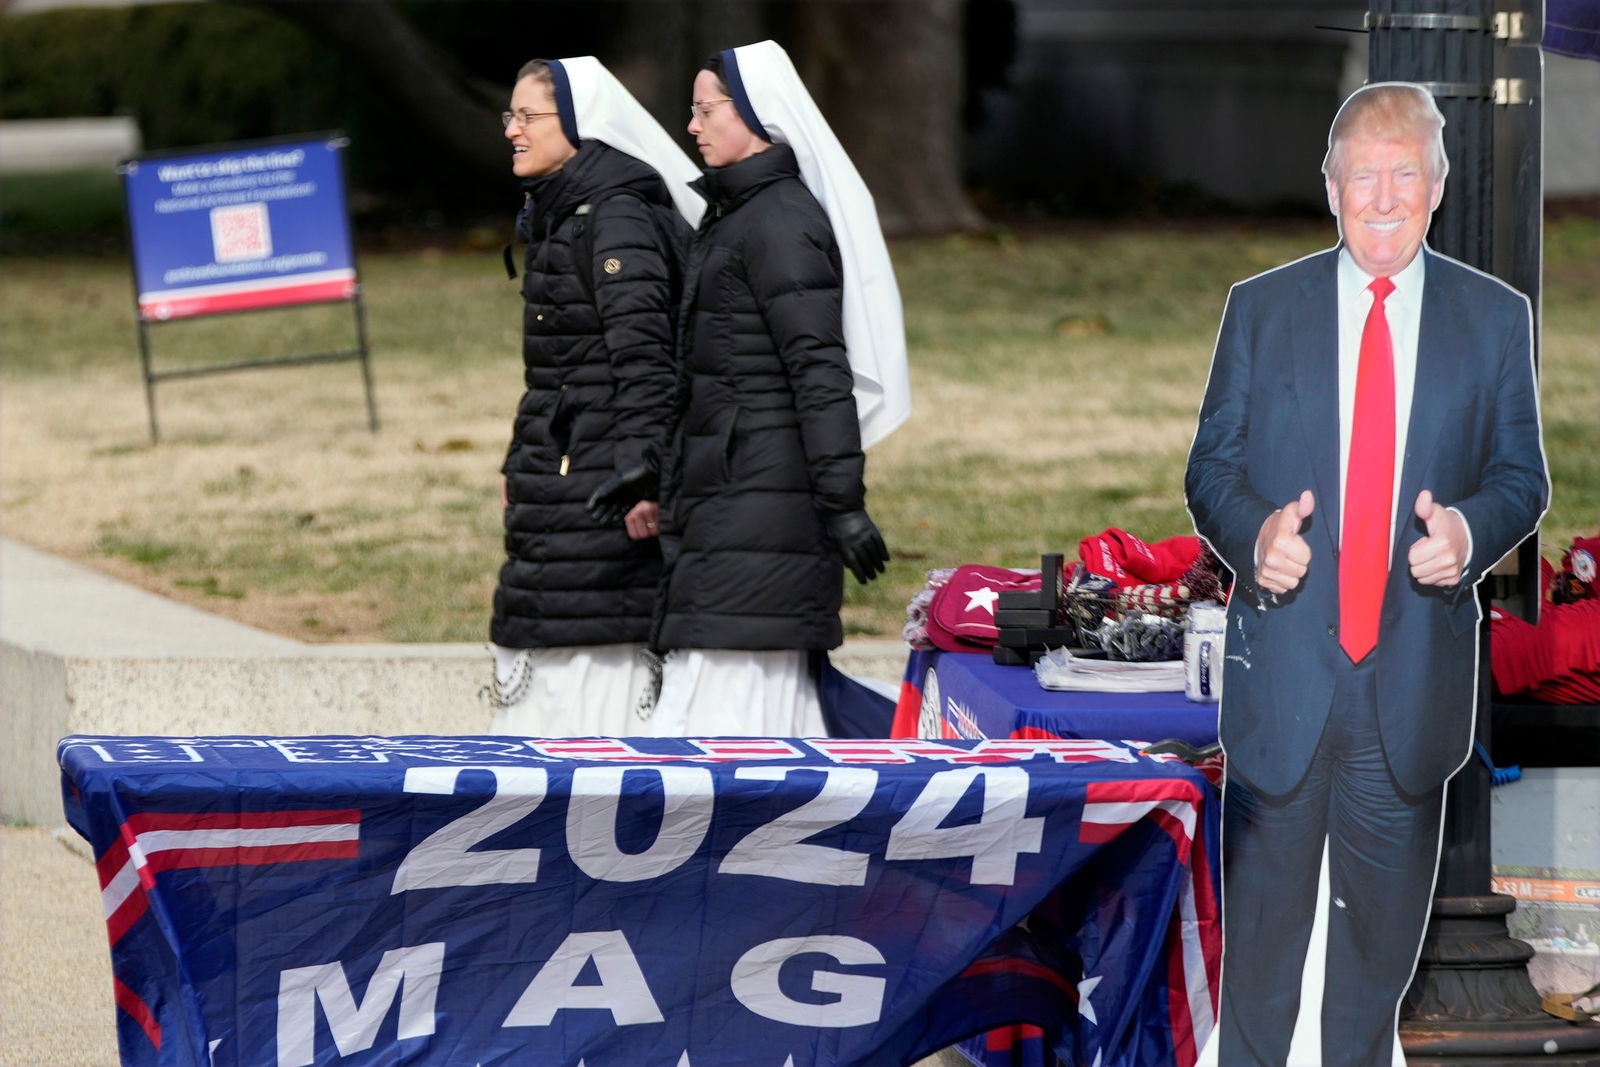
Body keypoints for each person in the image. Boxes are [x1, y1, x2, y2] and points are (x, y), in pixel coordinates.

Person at [1185, 82, 1547, 1065]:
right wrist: (1254, 532)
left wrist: (1469, 533)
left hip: (1409, 689)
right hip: (1284, 692)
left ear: (1435, 187)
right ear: (1329, 186)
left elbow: (1523, 475)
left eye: (1403, 175)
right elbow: (1208, 469)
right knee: (1256, 973)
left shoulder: (1492, 317)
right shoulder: (1260, 310)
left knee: (1371, 977)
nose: (1381, 197)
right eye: (1361, 176)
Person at [595, 41, 906, 735]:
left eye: (707, 110)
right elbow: (717, 372)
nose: (693, 126)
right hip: (730, 498)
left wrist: (844, 504)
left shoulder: (780, 223)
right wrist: (658, 465)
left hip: (761, 505)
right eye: (694, 110)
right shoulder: (738, 214)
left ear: (761, 118)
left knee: (738, 718)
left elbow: (819, 372)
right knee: (716, 704)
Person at [488, 56, 701, 736]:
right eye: (509, 116)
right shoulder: (566, 213)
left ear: (577, 125)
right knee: (558, 622)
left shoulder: (615, 218)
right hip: (564, 469)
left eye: (529, 117)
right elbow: (557, 372)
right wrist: (516, 464)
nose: (512, 132)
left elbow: (644, 357)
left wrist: (647, 474)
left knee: (595, 639)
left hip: (605, 477)